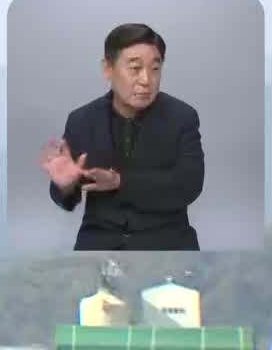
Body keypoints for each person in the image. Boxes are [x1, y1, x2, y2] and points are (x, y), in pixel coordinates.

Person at [38, 22, 204, 250]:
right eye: (135, 68)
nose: (146, 80)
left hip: (167, 243)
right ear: (108, 69)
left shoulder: (182, 117)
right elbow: (66, 200)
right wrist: (66, 185)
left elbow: (188, 186)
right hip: (98, 245)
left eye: (155, 69)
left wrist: (119, 182)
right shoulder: (82, 120)